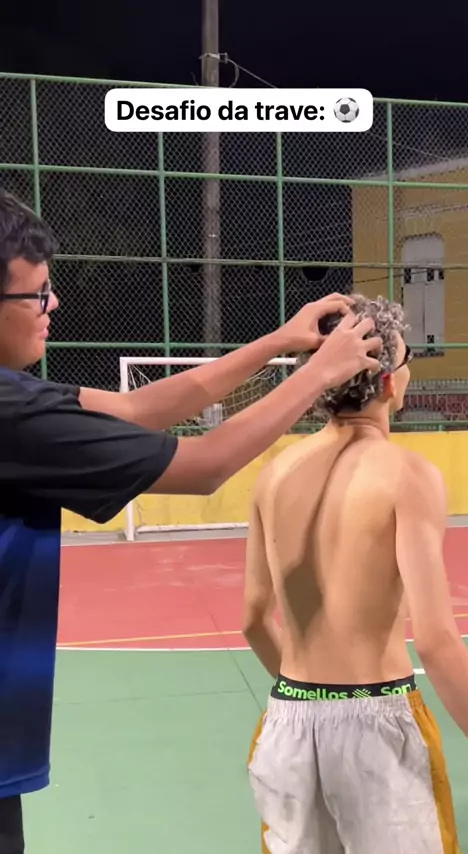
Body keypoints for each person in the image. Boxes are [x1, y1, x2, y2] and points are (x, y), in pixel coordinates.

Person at [0, 189, 382, 853]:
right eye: (37, 294)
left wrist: (281, 343)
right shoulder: (12, 412)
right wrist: (320, 372)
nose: (53, 304)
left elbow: (137, 409)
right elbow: (204, 466)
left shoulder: (17, 392)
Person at [244, 293, 468, 854]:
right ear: (391, 382)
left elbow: (252, 620)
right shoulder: (407, 475)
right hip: (379, 723)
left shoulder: (273, 476)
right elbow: (436, 641)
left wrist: (313, 701)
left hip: (288, 723)